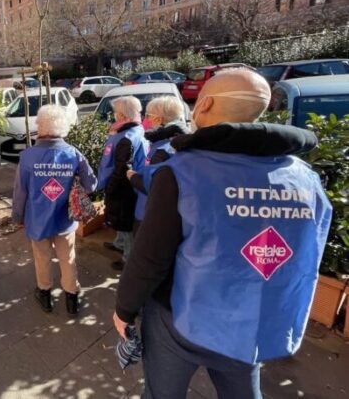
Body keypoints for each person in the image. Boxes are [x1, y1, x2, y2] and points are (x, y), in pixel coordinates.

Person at [113, 69, 332, 399]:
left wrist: (124, 309)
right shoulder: (305, 178)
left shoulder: (182, 171)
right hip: (252, 323)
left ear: (206, 104)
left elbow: (150, 257)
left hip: (181, 322)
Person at [12, 105, 97, 315]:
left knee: (42, 258)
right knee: (68, 258)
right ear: (63, 127)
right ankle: (71, 299)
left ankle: (45, 295)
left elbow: (20, 192)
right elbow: (91, 185)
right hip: (65, 220)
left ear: (40, 126)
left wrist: (18, 217)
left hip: (36, 219)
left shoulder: (28, 156)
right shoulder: (73, 153)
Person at [97, 96, 148, 270]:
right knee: (120, 219)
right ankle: (119, 244)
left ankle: (128, 258)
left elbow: (122, 168)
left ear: (123, 115)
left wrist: (111, 187)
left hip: (124, 186)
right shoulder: (133, 130)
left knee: (124, 221)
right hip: (126, 184)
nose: (114, 115)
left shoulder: (126, 137)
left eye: (116, 112)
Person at [128, 96, 188, 224]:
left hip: (152, 215)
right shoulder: (177, 142)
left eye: (148, 115)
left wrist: (132, 177)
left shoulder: (163, 149)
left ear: (159, 119)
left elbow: (153, 186)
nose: (145, 119)